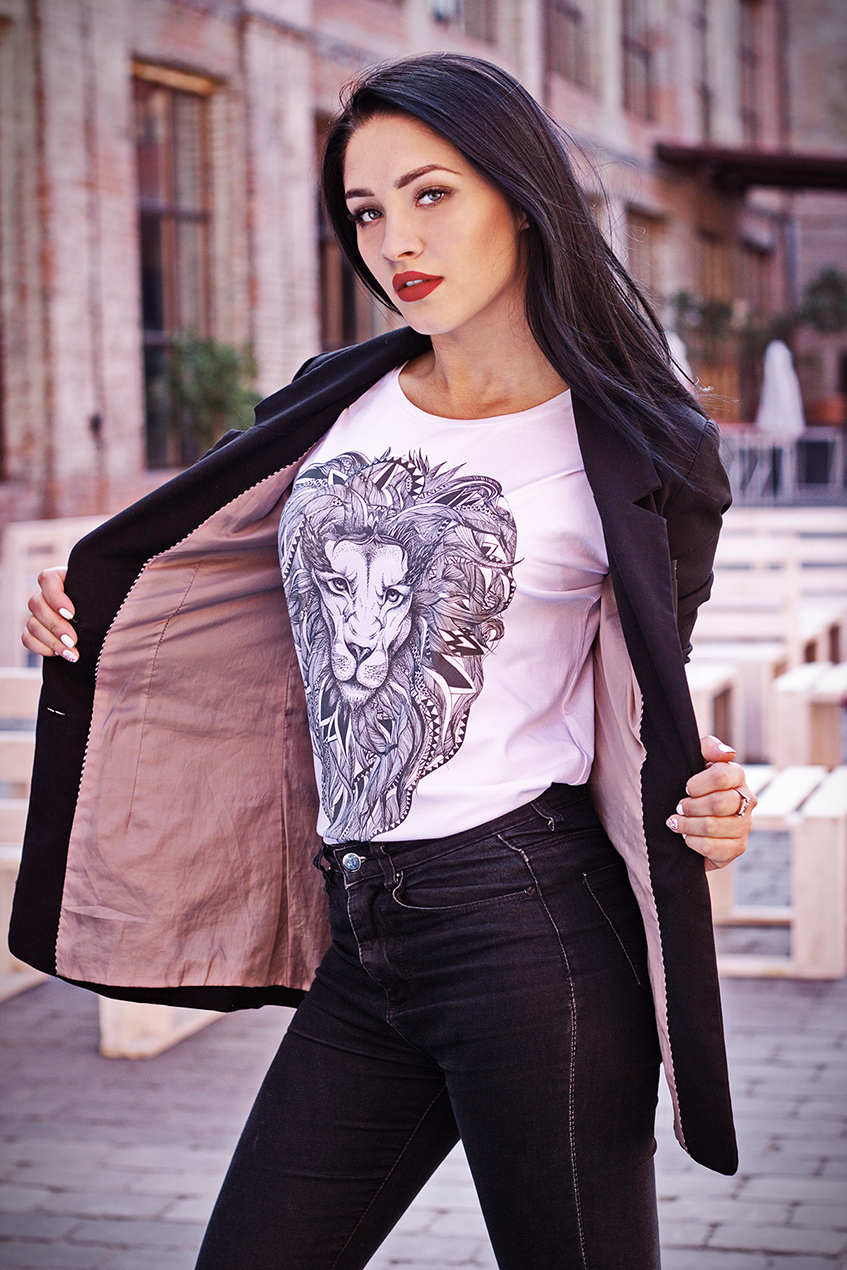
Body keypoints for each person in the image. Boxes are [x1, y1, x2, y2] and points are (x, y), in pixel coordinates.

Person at [16, 53, 755, 1270]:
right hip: (362, 933)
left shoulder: (640, 444)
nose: (393, 241)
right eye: (365, 211)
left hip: (533, 927)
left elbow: (644, 701)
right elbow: (215, 577)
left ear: (520, 197)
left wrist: (707, 798)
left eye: (431, 195)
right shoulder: (336, 401)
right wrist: (86, 610)